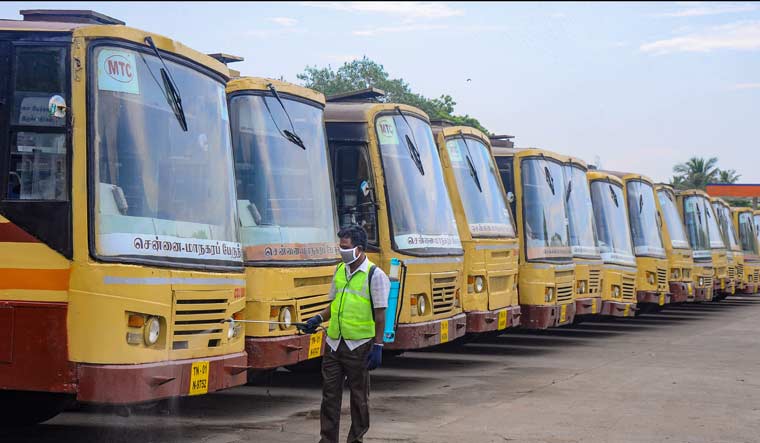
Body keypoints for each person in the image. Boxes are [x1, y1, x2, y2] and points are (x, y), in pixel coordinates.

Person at [301, 224, 390, 443]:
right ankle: (328, 439)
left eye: (345, 247)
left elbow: (380, 314)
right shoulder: (340, 270)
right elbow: (334, 304)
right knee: (329, 396)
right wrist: (317, 319)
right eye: (340, 246)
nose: (341, 251)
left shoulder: (375, 275)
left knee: (359, 399)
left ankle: (356, 439)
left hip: (359, 346)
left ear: (359, 249)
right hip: (334, 343)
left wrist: (378, 346)